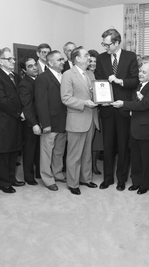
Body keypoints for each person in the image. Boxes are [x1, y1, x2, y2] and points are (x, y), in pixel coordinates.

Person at [95, 28, 139, 191]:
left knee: (122, 146)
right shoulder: (101, 58)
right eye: (103, 44)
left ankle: (121, 179)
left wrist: (120, 81)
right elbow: (99, 80)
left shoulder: (130, 57)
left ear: (116, 42)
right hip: (107, 109)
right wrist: (101, 100)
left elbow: (134, 81)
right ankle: (107, 179)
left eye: (107, 45)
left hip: (123, 107)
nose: (105, 47)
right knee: (107, 147)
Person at [112, 62, 149, 194]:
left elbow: (144, 104)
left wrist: (124, 104)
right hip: (134, 126)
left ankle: (145, 185)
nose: (140, 74)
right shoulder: (139, 85)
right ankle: (136, 182)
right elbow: (136, 101)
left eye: (144, 72)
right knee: (135, 157)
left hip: (145, 127)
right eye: (140, 71)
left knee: (145, 158)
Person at [61, 47, 99, 195]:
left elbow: (96, 93)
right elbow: (66, 98)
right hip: (77, 119)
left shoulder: (90, 74)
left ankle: (86, 178)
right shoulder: (68, 74)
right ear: (77, 58)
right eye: (86, 55)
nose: (88, 57)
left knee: (87, 153)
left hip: (91, 119)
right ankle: (73, 183)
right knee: (74, 154)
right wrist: (84, 103)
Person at [0, 48, 25, 193]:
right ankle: (3, 182)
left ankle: (11, 178)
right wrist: (19, 112)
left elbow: (20, 96)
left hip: (15, 120)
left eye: (13, 59)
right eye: (10, 59)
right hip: (3, 121)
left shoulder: (15, 76)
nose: (13, 61)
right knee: (3, 152)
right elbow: (2, 100)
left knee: (14, 150)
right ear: (1, 61)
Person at [35, 50, 67, 191]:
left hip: (64, 120)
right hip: (50, 122)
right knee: (47, 152)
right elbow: (41, 103)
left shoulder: (64, 76)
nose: (63, 62)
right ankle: (47, 178)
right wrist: (45, 124)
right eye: (59, 60)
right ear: (50, 62)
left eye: (62, 59)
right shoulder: (42, 78)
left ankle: (58, 173)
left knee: (59, 151)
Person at [18, 57, 41, 185]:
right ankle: (28, 176)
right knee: (29, 150)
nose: (34, 68)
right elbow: (27, 106)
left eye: (35, 64)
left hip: (40, 120)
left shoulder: (39, 80)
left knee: (38, 149)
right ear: (24, 70)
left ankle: (38, 172)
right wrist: (34, 124)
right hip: (31, 123)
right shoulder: (24, 84)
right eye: (30, 66)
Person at [88, 49, 102, 175]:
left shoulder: (101, 74)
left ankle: (94, 165)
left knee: (97, 142)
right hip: (87, 111)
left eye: (95, 61)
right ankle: (88, 167)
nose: (92, 63)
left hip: (100, 112)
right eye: (90, 61)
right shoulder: (84, 74)